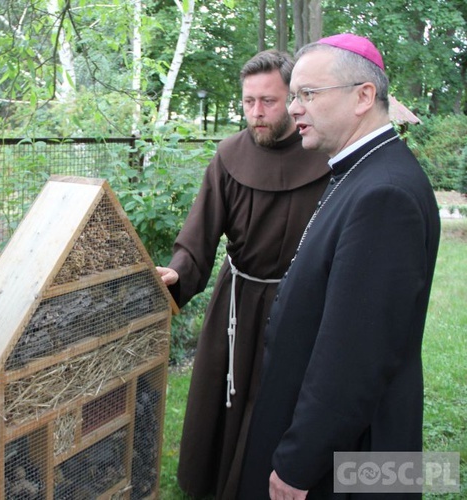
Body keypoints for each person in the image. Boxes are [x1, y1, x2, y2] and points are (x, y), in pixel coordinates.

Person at [238, 34, 440, 499]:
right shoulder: (362, 170)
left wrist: (298, 464)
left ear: (363, 97)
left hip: (352, 456)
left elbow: (356, 356)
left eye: (307, 94)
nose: (292, 109)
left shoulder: (384, 192)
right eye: (293, 96)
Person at [156, 50, 330, 498]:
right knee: (224, 400)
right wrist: (178, 273)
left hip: (298, 305)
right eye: (249, 101)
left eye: (268, 101)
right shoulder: (229, 155)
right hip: (236, 302)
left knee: (281, 402)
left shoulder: (325, 158)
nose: (257, 112)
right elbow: (199, 234)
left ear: (292, 100)